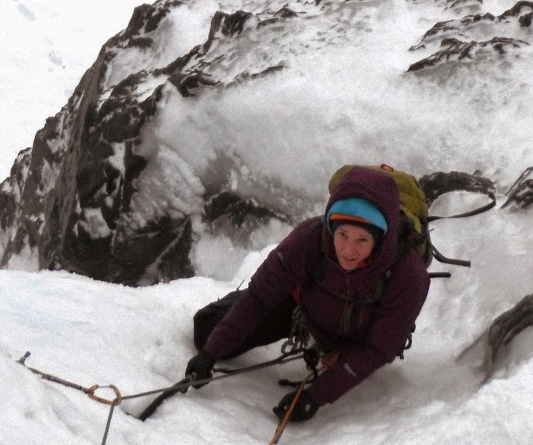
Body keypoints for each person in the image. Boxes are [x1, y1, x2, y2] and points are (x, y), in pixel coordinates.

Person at [185, 166, 431, 422]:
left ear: (381, 239)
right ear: (330, 227)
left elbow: (378, 348)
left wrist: (315, 396)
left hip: (359, 334)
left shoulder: (407, 274)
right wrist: (210, 352)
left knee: (354, 355)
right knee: (206, 331)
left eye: (362, 240)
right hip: (306, 309)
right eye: (343, 235)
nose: (348, 250)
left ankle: (336, 348)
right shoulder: (311, 239)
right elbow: (260, 297)